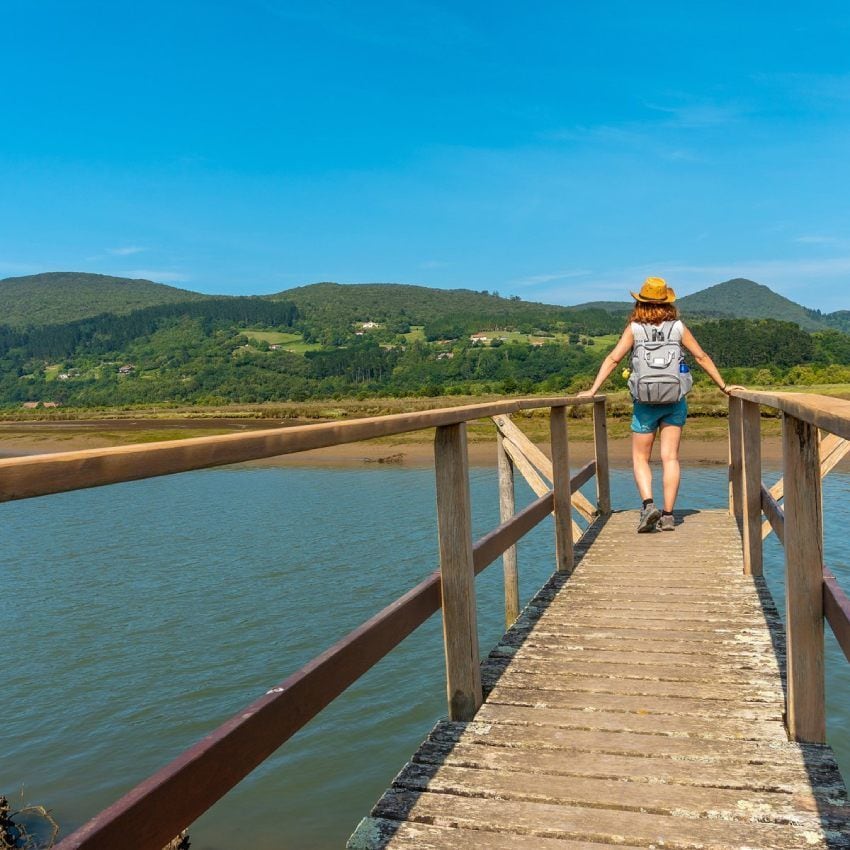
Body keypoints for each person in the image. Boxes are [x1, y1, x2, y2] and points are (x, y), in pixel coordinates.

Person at [578, 276, 742, 533]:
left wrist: (592, 389)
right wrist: (724, 386)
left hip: (644, 403)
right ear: (667, 302)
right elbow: (701, 356)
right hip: (674, 400)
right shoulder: (677, 327)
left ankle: (648, 505)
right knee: (670, 458)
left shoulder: (634, 329)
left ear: (641, 302)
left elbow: (613, 359)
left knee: (640, 458)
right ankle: (667, 516)